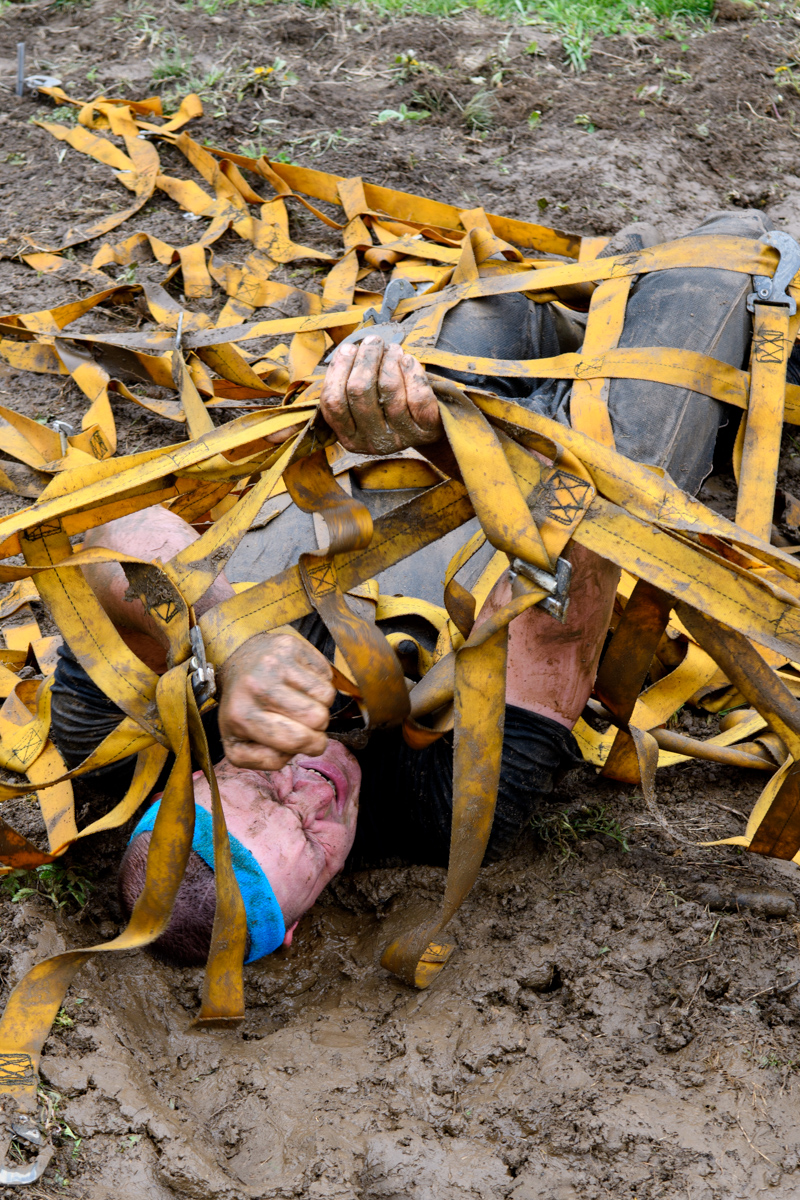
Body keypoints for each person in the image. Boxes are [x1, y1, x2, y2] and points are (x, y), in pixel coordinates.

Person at [48, 208, 780, 966]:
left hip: (372, 430)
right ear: (303, 920)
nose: (313, 793)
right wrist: (446, 442)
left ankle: (565, 325)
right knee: (717, 268)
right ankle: (662, 313)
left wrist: (229, 637)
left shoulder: (123, 745)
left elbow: (110, 531)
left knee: (450, 332)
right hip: (556, 479)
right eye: (310, 839)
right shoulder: (449, 815)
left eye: (265, 790)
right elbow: (569, 585)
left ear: (189, 788)